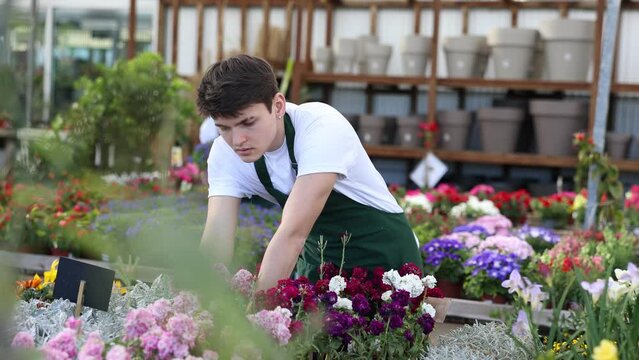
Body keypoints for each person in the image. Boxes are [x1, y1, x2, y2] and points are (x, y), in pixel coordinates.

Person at [197, 54, 421, 291]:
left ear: (278, 105)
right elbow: (216, 241)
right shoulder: (224, 153)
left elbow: (292, 234)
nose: (237, 140)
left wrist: (254, 315)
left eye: (248, 122)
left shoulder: (321, 128)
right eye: (224, 128)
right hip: (319, 263)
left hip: (383, 259)